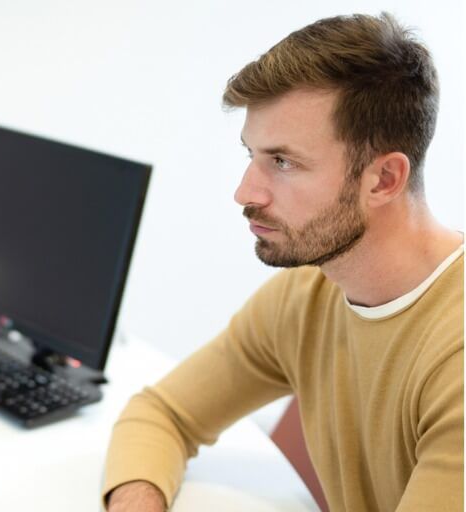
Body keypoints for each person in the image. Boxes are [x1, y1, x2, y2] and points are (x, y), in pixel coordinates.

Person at [102, 13, 463, 512]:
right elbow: (163, 413)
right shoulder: (309, 295)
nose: (245, 193)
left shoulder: (455, 357)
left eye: (283, 162)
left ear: (383, 179)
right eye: (252, 155)